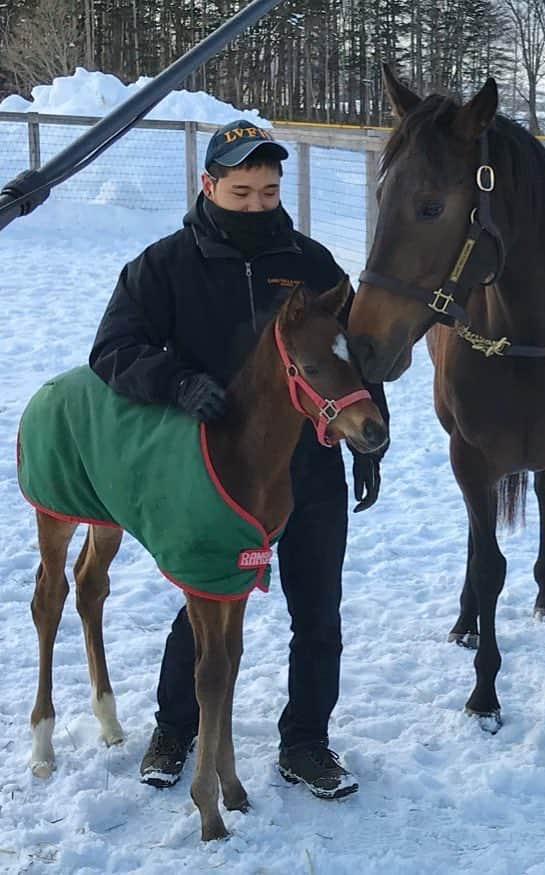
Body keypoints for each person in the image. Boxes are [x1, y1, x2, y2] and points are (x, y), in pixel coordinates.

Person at [90, 119, 388, 800]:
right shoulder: (164, 267)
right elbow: (111, 349)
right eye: (243, 190)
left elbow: (354, 359)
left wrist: (372, 438)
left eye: (269, 190)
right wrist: (173, 381)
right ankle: (177, 723)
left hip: (309, 466)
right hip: (214, 470)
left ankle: (307, 740)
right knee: (206, 599)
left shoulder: (314, 266)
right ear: (209, 185)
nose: (258, 203)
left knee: (319, 606)